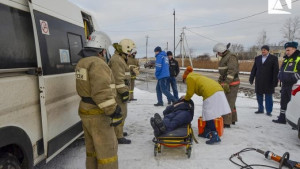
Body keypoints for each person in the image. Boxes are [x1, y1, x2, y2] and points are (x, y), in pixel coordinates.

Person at [75, 31, 122, 169]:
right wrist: (113, 111)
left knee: (92, 151)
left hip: (85, 110)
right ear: (101, 50)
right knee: (107, 152)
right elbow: (101, 91)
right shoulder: (98, 63)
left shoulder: (82, 62)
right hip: (98, 114)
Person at [183, 66, 231, 144]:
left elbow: (190, 92)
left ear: (184, 78)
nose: (185, 83)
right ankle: (206, 131)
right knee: (206, 113)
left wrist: (185, 99)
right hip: (217, 90)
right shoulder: (195, 76)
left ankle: (215, 136)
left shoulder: (189, 78)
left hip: (211, 93)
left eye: (184, 81)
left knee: (209, 114)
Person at [109, 39, 136, 144]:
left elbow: (124, 74)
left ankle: (119, 132)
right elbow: (118, 78)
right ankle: (118, 136)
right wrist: (124, 92)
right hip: (118, 92)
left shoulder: (120, 58)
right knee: (120, 113)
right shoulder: (117, 60)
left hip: (120, 90)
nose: (131, 52)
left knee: (123, 113)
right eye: (130, 50)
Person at [213, 43, 240, 128]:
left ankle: (226, 122)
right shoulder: (225, 57)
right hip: (226, 82)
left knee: (228, 102)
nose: (217, 54)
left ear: (221, 50)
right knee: (231, 102)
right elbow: (223, 72)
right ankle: (232, 119)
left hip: (232, 83)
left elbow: (232, 71)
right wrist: (220, 81)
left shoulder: (231, 57)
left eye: (218, 52)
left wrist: (227, 83)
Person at [273, 41, 300, 124]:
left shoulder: (298, 58)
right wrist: (279, 76)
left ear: (294, 49)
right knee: (283, 101)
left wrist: (292, 79)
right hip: (285, 84)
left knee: (293, 103)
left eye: (289, 50)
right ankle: (282, 118)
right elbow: (281, 70)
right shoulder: (286, 59)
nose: (287, 52)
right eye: (286, 50)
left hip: (294, 85)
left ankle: (294, 121)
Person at [249, 45, 279, 116]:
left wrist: (275, 80)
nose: (263, 51)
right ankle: (260, 109)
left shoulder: (274, 58)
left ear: (268, 50)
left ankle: (269, 111)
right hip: (259, 80)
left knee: (268, 96)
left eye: (264, 50)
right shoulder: (257, 58)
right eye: (262, 50)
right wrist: (251, 78)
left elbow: (276, 70)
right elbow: (254, 69)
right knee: (259, 95)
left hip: (269, 81)